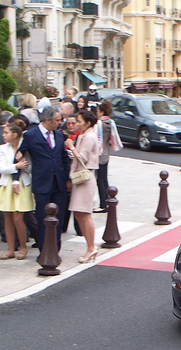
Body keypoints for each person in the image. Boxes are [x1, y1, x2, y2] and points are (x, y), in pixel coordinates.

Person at [18, 106, 69, 252]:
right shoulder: (31, 135)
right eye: (58, 120)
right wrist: (17, 175)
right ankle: (44, 250)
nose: (60, 123)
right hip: (42, 182)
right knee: (42, 218)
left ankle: (55, 250)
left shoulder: (59, 135)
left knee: (58, 218)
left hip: (59, 183)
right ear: (48, 120)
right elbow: (19, 154)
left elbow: (64, 158)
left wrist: (67, 178)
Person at [0, 119, 33, 261]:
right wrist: (16, 166)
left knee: (18, 217)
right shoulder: (2, 148)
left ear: (15, 134)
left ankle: (23, 247)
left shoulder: (25, 148)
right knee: (8, 217)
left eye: (6, 132)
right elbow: (2, 169)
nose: (3, 135)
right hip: (7, 184)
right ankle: (11, 249)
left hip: (22, 184)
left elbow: (29, 168)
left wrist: (22, 163)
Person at [65, 110, 99, 263]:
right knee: (79, 214)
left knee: (84, 214)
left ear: (88, 123)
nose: (77, 124)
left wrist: (71, 147)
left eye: (79, 121)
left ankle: (91, 247)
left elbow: (83, 158)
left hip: (85, 178)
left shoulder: (89, 137)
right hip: (80, 177)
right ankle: (90, 246)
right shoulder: (84, 135)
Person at [94, 101, 123, 213]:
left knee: (100, 180)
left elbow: (97, 139)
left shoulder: (99, 124)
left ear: (101, 112)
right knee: (104, 179)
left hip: (100, 153)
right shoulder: (110, 122)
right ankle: (107, 200)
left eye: (97, 111)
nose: (96, 113)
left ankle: (103, 204)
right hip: (106, 152)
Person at [62, 114, 82, 236]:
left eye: (73, 123)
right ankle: (63, 226)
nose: (71, 125)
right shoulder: (64, 135)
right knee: (66, 199)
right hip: (66, 170)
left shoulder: (81, 136)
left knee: (77, 200)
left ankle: (79, 228)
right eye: (68, 123)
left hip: (78, 171)